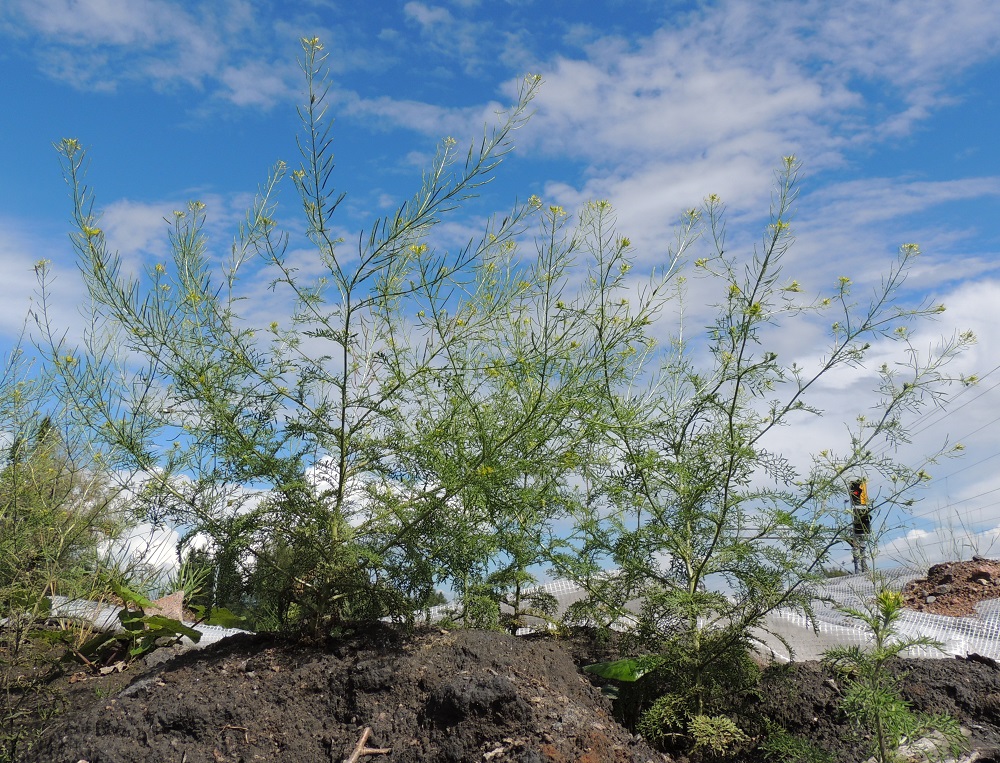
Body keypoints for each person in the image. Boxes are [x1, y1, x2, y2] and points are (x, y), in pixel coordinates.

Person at [849, 479, 870, 573]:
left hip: (861, 530)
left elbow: (857, 492)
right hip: (858, 530)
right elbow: (857, 492)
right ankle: (859, 569)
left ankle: (861, 569)